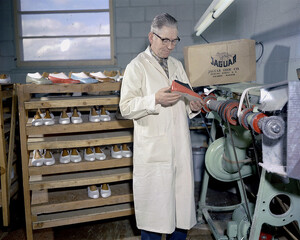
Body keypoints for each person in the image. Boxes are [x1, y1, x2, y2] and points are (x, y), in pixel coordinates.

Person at [119, 13, 203, 240]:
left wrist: (193, 104)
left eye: (174, 40)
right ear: (151, 37)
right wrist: (154, 100)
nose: (170, 46)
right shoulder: (137, 66)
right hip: (154, 151)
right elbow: (125, 108)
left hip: (179, 148)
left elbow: (186, 102)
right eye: (165, 40)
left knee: (180, 217)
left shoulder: (177, 65)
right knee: (155, 218)